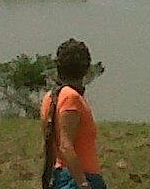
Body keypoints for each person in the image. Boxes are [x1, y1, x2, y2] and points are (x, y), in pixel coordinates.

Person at [41, 39, 107, 189]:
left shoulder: (49, 98)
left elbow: (51, 145)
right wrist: (82, 182)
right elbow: (66, 145)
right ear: (86, 68)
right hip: (79, 176)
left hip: (61, 176)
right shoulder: (71, 98)